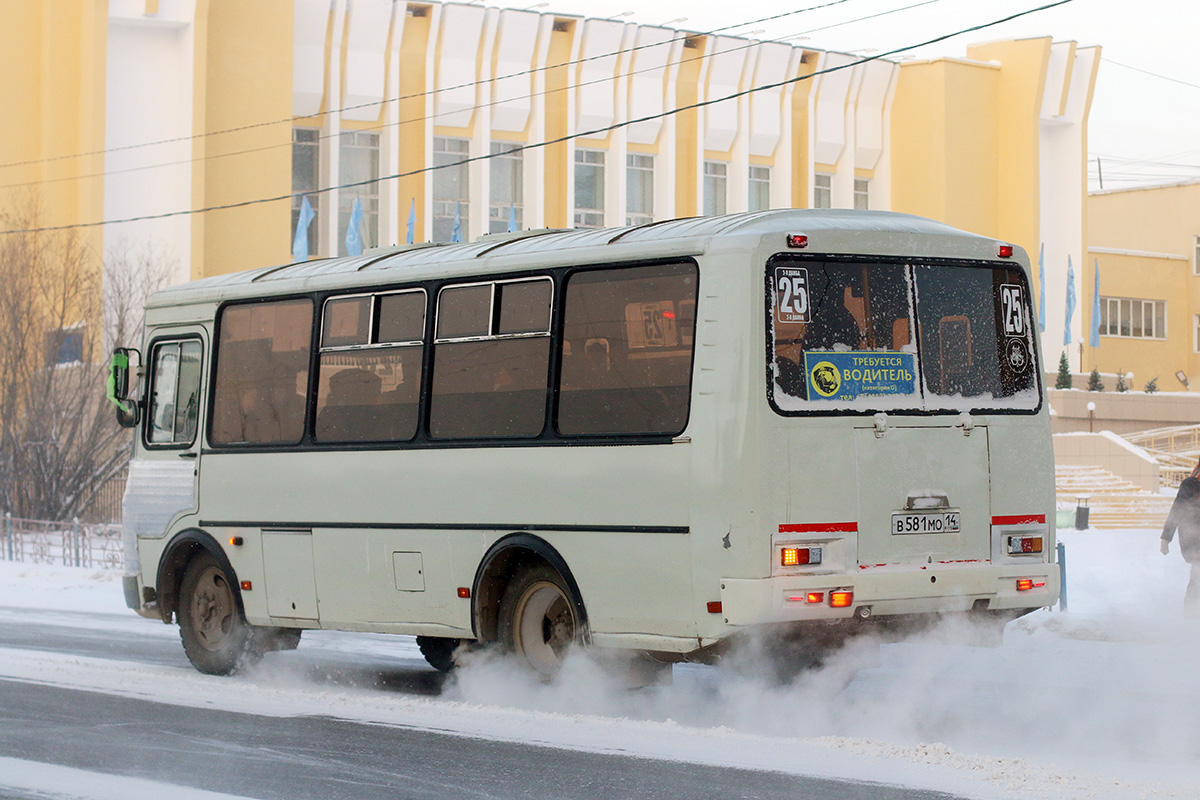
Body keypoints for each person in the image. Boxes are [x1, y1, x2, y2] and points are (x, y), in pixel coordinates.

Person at [1161, 468, 1200, 618]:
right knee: (1197, 580)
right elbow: (1177, 509)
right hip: (1194, 540)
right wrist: (1166, 537)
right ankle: (1191, 619)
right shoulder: (1191, 484)